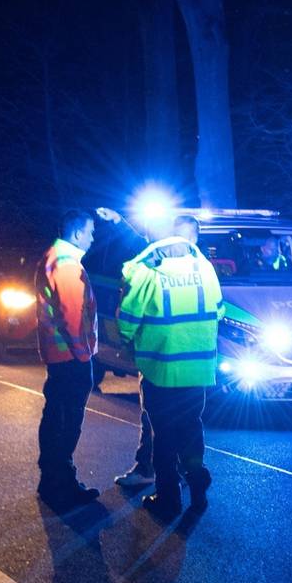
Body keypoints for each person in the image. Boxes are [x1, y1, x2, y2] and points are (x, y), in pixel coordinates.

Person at [117, 214, 222, 519]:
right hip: (197, 370)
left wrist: (126, 339)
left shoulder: (150, 270)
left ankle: (168, 498)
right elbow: (218, 310)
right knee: (191, 429)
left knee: (162, 434)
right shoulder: (205, 268)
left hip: (161, 369)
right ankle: (197, 482)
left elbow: (129, 315)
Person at [33, 208, 100, 510]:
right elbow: (73, 313)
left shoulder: (55, 257)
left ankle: (54, 480)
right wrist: (84, 354)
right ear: (77, 233)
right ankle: (60, 483)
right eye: (90, 231)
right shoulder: (67, 263)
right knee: (65, 421)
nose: (93, 237)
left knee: (56, 416)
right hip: (70, 356)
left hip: (59, 354)